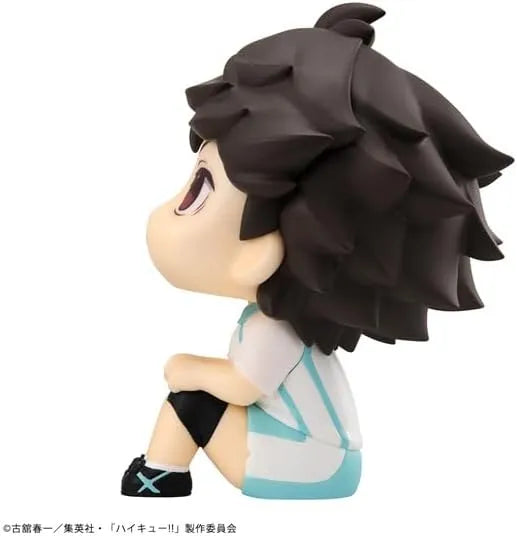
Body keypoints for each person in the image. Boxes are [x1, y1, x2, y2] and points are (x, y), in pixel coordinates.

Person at [121, 3, 512, 499]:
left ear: (261, 250)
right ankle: (161, 471)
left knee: (190, 400)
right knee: (195, 395)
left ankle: (159, 476)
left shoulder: (275, 329)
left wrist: (187, 366)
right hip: (308, 452)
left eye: (200, 189)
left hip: (306, 462)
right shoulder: (278, 322)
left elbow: (243, 386)